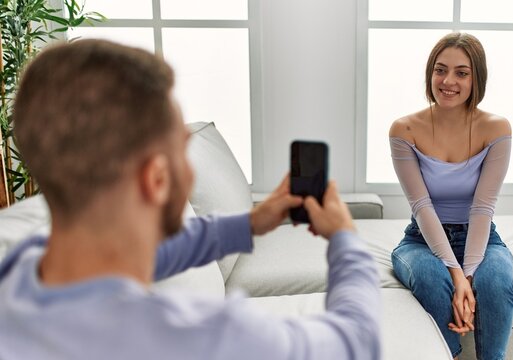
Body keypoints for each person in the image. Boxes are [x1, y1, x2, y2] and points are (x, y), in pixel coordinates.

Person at [0, 39, 381, 359]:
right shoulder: (196, 337)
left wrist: (253, 222)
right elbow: (356, 343)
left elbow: (155, 257)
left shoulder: (22, 267)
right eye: (183, 149)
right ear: (155, 178)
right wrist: (346, 240)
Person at [389, 32, 513, 360]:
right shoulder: (404, 129)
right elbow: (421, 205)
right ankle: (450, 355)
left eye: (462, 72)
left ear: (477, 79)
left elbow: (482, 206)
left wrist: (469, 274)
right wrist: (456, 276)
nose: (448, 81)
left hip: (482, 239)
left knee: (496, 282)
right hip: (421, 240)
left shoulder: (497, 128)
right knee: (433, 279)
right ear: (430, 73)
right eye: (440, 70)